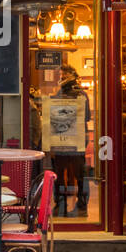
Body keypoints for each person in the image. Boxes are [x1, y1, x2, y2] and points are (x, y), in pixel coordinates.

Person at [49, 65, 92, 217]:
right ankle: (72, 203)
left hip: (71, 138)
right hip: (70, 138)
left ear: (71, 75)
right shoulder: (70, 93)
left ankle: (74, 203)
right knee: (69, 172)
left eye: (64, 74)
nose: (61, 77)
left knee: (74, 172)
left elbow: (85, 116)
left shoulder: (78, 93)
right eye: (61, 74)